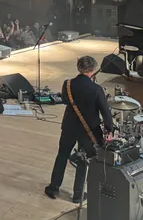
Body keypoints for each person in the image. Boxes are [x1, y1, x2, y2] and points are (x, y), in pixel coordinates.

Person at [45, 56, 113, 203]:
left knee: (62, 156)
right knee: (83, 161)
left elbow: (64, 100)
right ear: (93, 70)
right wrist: (110, 129)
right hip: (89, 130)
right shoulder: (96, 89)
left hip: (69, 127)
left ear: (78, 67)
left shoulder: (68, 84)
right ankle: (78, 194)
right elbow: (105, 112)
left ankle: (54, 188)